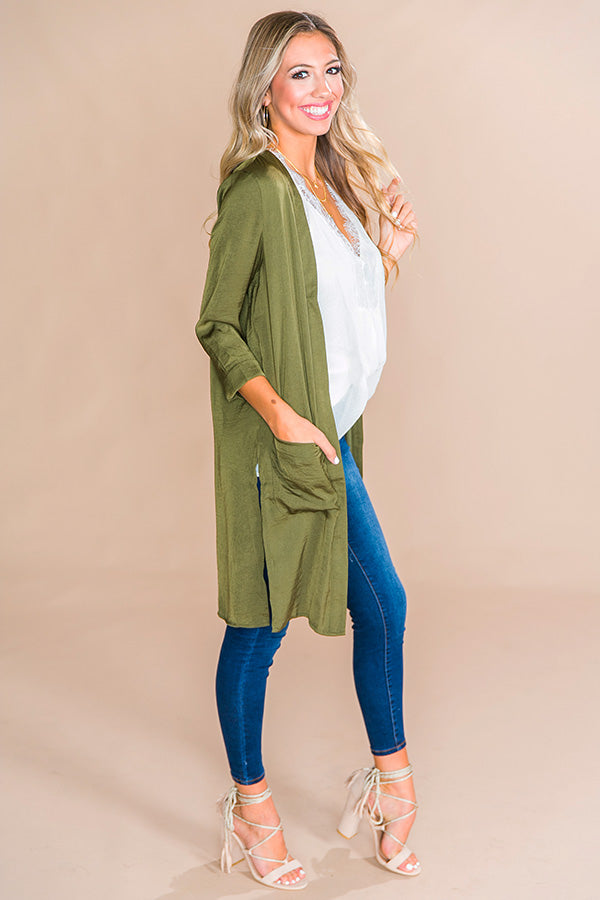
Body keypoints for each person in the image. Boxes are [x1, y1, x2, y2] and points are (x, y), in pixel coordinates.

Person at [195, 10, 420, 891]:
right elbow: (218, 324)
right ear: (264, 90)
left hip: (330, 440)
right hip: (281, 444)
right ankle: (253, 809)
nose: (321, 89)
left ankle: (390, 789)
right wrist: (283, 417)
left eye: (331, 70)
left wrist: (387, 255)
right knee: (258, 625)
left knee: (381, 606)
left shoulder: (330, 183)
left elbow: (332, 316)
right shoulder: (259, 188)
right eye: (300, 73)